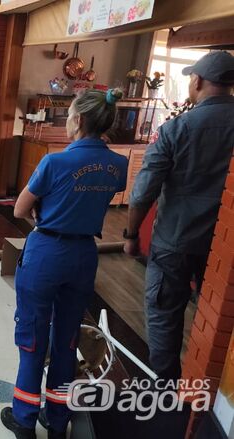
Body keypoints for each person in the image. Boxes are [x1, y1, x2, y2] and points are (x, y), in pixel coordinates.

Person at [0, 89, 129, 439]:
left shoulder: (54, 162)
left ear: (79, 120)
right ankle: (58, 421)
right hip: (84, 255)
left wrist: (46, 211)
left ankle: (24, 418)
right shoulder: (119, 165)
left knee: (32, 337)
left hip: (47, 253)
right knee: (67, 340)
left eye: (70, 115)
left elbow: (19, 209)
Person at [125, 51, 234, 380]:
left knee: (164, 312)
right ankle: (206, 387)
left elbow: (143, 192)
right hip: (225, 248)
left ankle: (165, 386)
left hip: (175, 238)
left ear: (197, 81)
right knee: (215, 315)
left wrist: (131, 235)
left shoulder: (177, 128)